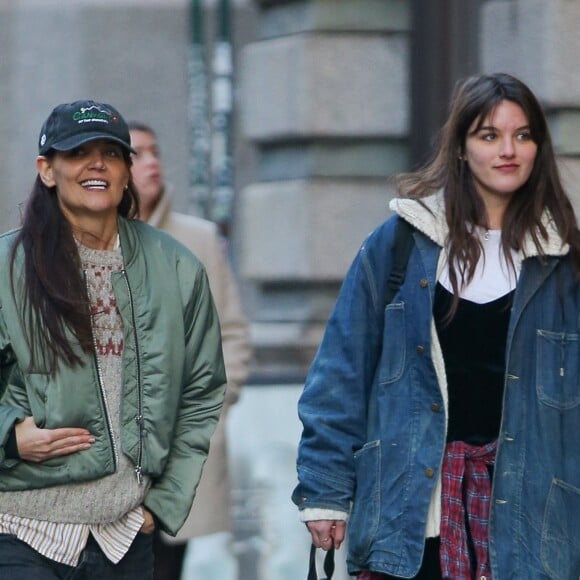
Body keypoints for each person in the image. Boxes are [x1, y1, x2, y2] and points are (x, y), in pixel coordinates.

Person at [292, 73, 580, 579]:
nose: (508, 150)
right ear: (462, 148)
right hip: (410, 519)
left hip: (535, 527)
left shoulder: (563, 262)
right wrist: (324, 491)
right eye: (489, 135)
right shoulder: (402, 243)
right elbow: (341, 371)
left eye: (523, 134)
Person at [0, 100, 226, 579]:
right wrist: (8, 435)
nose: (97, 163)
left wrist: (163, 504)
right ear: (47, 169)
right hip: (19, 529)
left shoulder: (178, 267)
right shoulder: (7, 267)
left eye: (112, 152)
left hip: (123, 539)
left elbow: (201, 393)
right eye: (78, 151)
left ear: (127, 172)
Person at [128, 122, 252, 580]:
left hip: (180, 442)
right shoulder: (88, 239)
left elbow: (232, 334)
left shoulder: (198, 239)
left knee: (166, 565)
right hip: (108, 454)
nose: (153, 162)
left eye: (155, 150)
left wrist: (214, 409)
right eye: (138, 152)